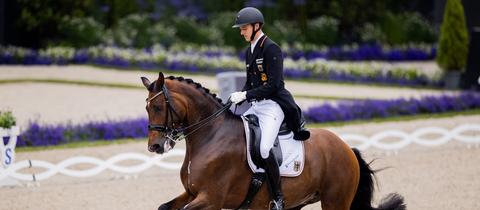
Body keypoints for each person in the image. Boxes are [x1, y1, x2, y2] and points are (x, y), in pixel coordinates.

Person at [230, 7, 310, 210]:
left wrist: (246, 95)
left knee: (265, 148)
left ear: (257, 26)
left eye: (244, 28)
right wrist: (238, 96)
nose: (241, 32)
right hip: (256, 106)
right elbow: (250, 82)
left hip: (274, 106)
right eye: (240, 29)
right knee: (235, 134)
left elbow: (274, 85)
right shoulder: (249, 50)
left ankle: (278, 198)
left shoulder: (271, 48)